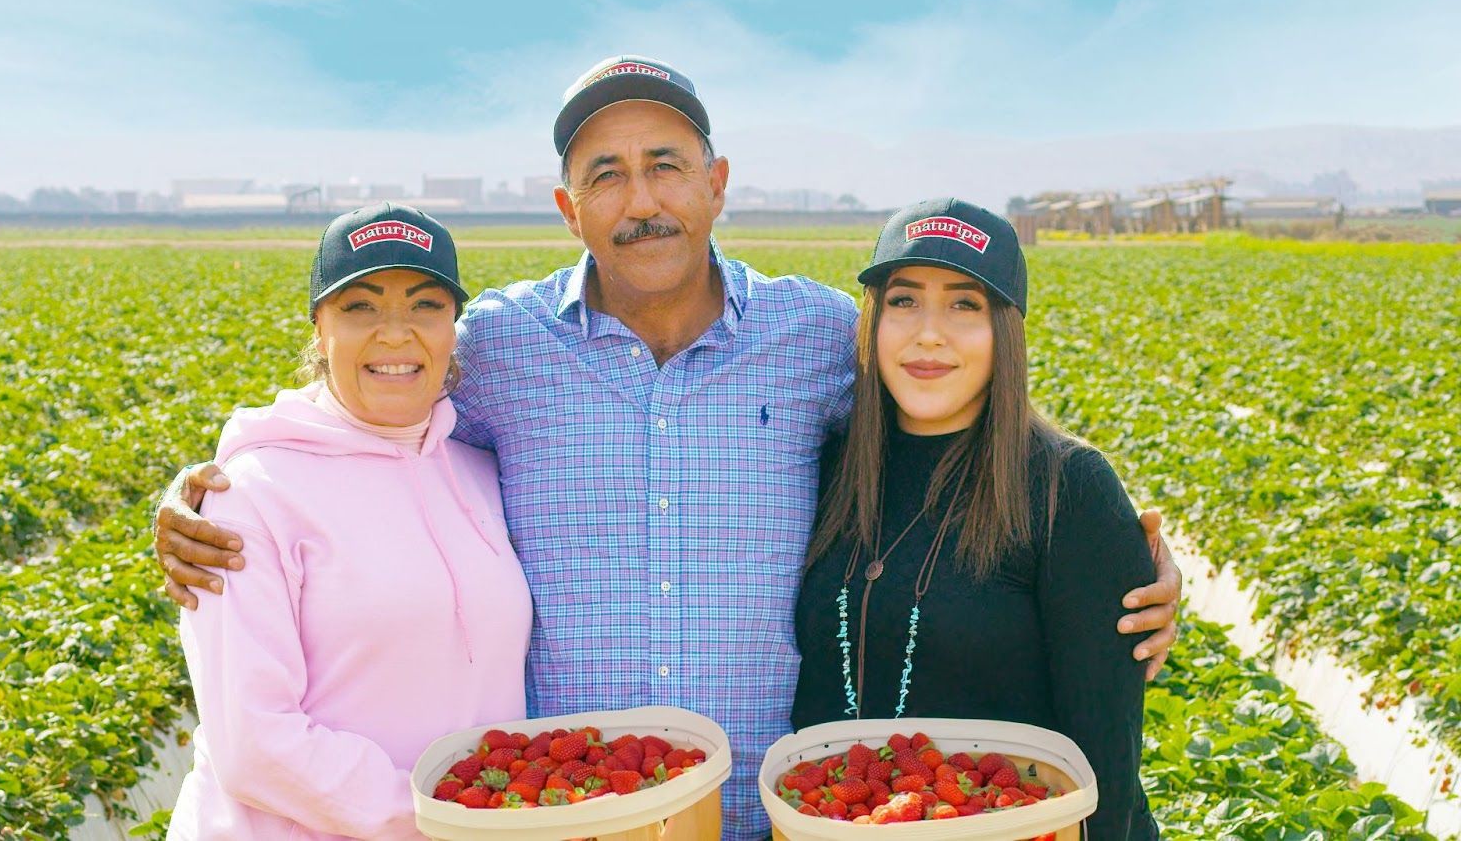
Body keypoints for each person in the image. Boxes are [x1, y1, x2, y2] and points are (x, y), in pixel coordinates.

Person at [152, 56, 1183, 841]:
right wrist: (219, 483)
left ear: (717, 183)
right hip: (575, 813)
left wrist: (1106, 551)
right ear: (568, 208)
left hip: (767, 807)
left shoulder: (820, 339)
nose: (640, 200)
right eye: (606, 175)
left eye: (665, 167)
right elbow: (370, 401)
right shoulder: (499, 350)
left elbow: (958, 421)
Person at [793, 199, 1157, 837]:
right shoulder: (824, 468)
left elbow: (1108, 763)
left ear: (1005, 329)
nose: (929, 333)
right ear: (873, 321)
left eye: (965, 304)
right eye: (904, 301)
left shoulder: (1067, 489)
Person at [166, 204, 531, 839]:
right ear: (319, 327)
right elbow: (255, 743)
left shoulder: (480, 472)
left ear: (454, 327)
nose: (395, 333)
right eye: (359, 307)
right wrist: (439, 816)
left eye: (426, 305)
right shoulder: (248, 495)